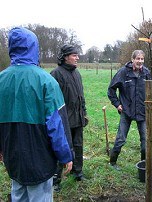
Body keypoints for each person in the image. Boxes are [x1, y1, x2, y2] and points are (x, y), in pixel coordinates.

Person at [0, 27, 73, 201]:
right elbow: (56, 126)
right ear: (34, 48)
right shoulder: (47, 81)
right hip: (40, 160)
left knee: (18, 194)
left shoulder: (1, 80)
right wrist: (65, 156)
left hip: (13, 158)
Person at [107, 50, 152, 170]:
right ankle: (112, 162)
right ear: (132, 59)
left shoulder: (146, 73)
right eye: (137, 59)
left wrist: (149, 105)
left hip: (142, 112)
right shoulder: (123, 72)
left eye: (142, 59)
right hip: (126, 112)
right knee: (121, 139)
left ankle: (144, 164)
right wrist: (117, 104)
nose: (140, 61)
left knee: (145, 140)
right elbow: (111, 90)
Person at [50, 44, 88, 187]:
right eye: (74, 55)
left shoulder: (77, 73)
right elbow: (52, 100)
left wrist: (83, 113)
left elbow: (81, 96)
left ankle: (78, 173)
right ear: (66, 57)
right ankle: (56, 180)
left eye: (77, 55)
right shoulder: (56, 74)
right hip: (63, 120)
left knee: (78, 146)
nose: (77, 57)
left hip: (78, 118)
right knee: (61, 148)